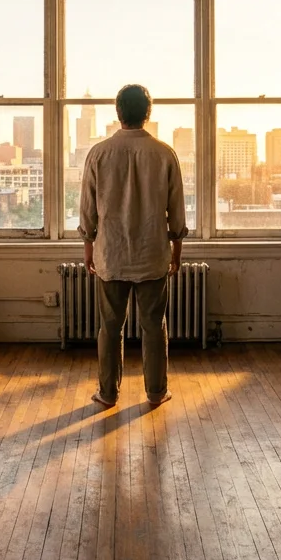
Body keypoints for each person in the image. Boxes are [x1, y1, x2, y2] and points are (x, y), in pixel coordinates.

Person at [78, 84, 188, 407]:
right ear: (147, 113)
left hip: (110, 255)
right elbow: (177, 213)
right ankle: (156, 392)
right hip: (152, 255)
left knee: (110, 329)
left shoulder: (98, 154)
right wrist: (176, 254)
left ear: (118, 112)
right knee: (154, 327)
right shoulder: (165, 154)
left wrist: (88, 249)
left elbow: (88, 210)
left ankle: (108, 393)